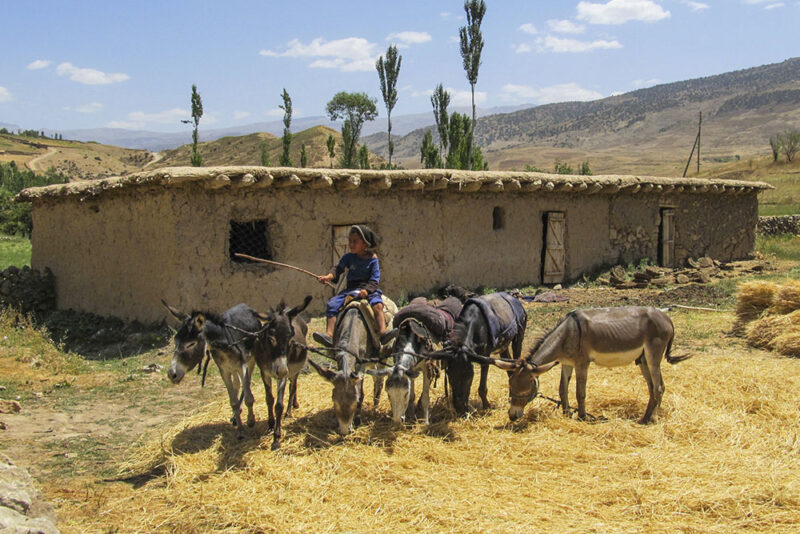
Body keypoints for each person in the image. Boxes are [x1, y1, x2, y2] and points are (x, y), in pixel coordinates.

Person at [313, 225, 389, 347]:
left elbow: (375, 279)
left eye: (355, 241)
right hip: (351, 290)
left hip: (369, 290)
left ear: (365, 244)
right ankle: (329, 335)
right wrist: (328, 277)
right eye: (350, 241)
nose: (351, 244)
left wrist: (367, 291)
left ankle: (383, 333)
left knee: (378, 305)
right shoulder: (348, 257)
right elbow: (338, 269)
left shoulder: (373, 259)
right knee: (332, 304)